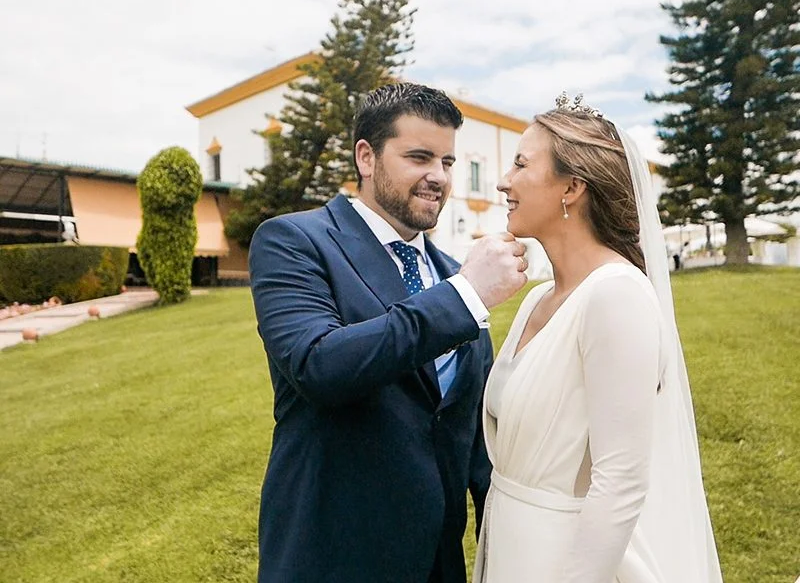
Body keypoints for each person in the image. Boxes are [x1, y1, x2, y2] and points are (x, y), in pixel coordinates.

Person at [248, 82, 528, 583]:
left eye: (447, 162)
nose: (438, 177)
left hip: (438, 564)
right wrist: (465, 295)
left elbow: (474, 444)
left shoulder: (451, 275)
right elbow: (319, 365)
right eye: (419, 157)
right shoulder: (294, 241)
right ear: (366, 157)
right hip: (331, 556)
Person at [472, 95, 723, 582]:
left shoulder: (617, 297)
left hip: (567, 561)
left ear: (572, 187)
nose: (504, 181)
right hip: (509, 543)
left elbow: (621, 482)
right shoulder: (536, 298)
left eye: (521, 164)